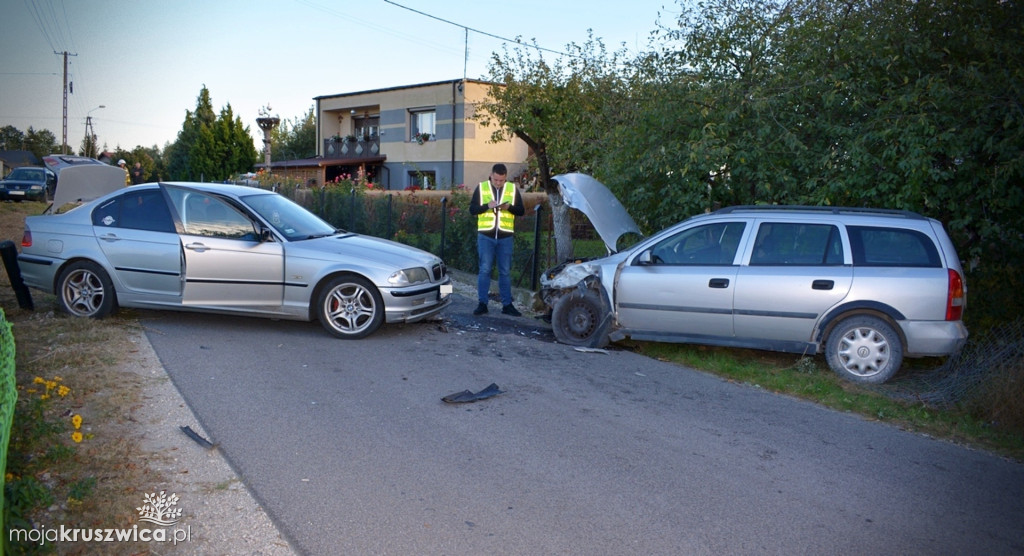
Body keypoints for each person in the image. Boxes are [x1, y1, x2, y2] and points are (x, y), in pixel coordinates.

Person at [469, 163, 525, 316]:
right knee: (485, 269)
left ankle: (507, 305)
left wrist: (509, 208)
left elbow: (521, 210)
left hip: (505, 236)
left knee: (505, 271)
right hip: (486, 236)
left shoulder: (512, 189)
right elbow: (472, 210)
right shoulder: (481, 188)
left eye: (501, 180)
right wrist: (487, 205)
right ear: (491, 175)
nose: (498, 183)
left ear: (505, 178)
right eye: (496, 180)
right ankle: (482, 303)